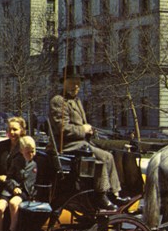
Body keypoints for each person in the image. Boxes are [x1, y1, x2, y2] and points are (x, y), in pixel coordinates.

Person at [49, 65, 130, 211]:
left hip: (80, 143)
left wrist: (89, 130)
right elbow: (61, 129)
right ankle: (101, 195)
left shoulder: (77, 101)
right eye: (73, 82)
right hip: (67, 146)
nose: (76, 86)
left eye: (78, 83)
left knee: (110, 156)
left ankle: (114, 193)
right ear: (64, 82)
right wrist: (83, 129)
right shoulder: (58, 101)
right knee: (101, 158)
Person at [0, 117, 27, 231]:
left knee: (13, 204)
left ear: (22, 130)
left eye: (15, 129)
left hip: (19, 187)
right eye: (9, 130)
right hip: (4, 187)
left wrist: (14, 186)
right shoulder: (2, 146)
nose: (12, 133)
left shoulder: (25, 147)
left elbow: (25, 171)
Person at [0, 136, 38, 231]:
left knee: (13, 203)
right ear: (21, 151)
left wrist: (20, 190)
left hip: (25, 191)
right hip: (11, 189)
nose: (31, 154)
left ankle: (12, 230)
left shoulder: (35, 164)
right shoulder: (16, 161)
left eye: (33, 151)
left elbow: (31, 183)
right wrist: (14, 187)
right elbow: (10, 177)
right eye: (28, 152)